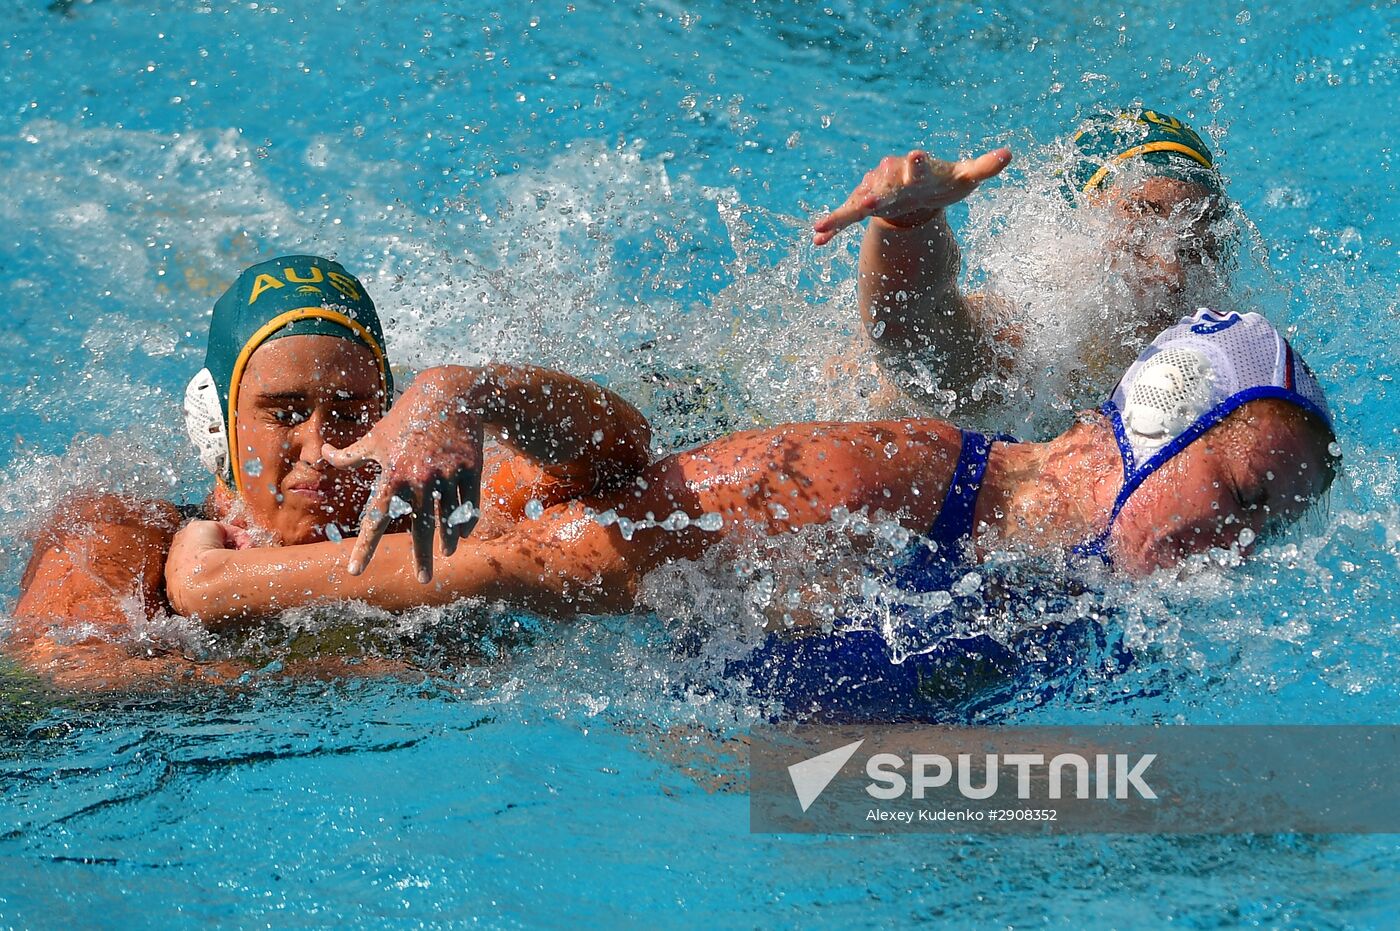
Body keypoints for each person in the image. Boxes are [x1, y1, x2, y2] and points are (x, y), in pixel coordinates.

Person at [153, 308, 1338, 719]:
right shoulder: (862, 480)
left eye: (1268, 525)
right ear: (1149, 432)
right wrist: (222, 590)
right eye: (1235, 497)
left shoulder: (1105, 586)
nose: (1238, 547)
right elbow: (526, 562)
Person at [9, 255, 653, 689]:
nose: (319, 448)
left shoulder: (434, 507)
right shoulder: (120, 534)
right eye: (284, 412)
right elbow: (60, 685)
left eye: (350, 414)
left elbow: (622, 453)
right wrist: (358, 667)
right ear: (215, 424)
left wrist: (469, 391)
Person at [812, 107, 1230, 421]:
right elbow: (915, 332)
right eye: (1139, 230)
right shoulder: (1034, 337)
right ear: (1070, 230)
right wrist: (909, 224)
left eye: (1195, 247)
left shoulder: (1225, 355)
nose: (1171, 273)